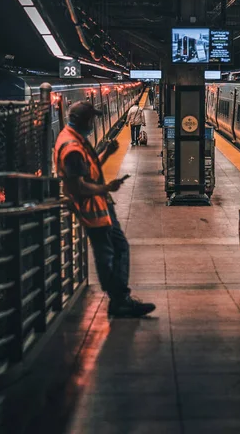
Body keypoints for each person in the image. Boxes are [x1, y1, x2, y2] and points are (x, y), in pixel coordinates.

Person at [54, 101, 156, 318]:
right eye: (92, 119)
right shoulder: (71, 147)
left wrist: (108, 154)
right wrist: (106, 187)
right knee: (108, 253)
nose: (94, 123)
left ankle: (120, 299)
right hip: (92, 210)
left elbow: (88, 171)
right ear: (85, 120)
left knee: (117, 249)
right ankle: (119, 300)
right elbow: (78, 186)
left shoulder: (76, 141)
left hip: (101, 206)